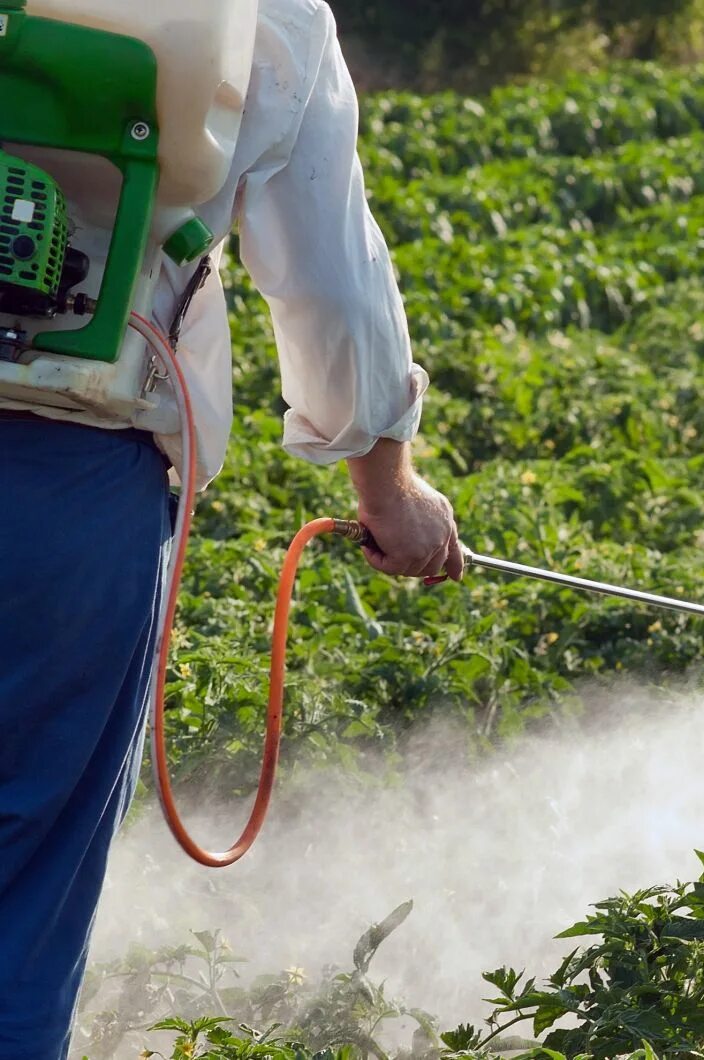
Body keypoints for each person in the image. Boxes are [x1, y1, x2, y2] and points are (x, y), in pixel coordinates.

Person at [0, 0, 463, 1054]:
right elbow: (334, 289)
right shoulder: (267, 18)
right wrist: (387, 489)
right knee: (14, 911)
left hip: (72, 495)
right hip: (68, 483)